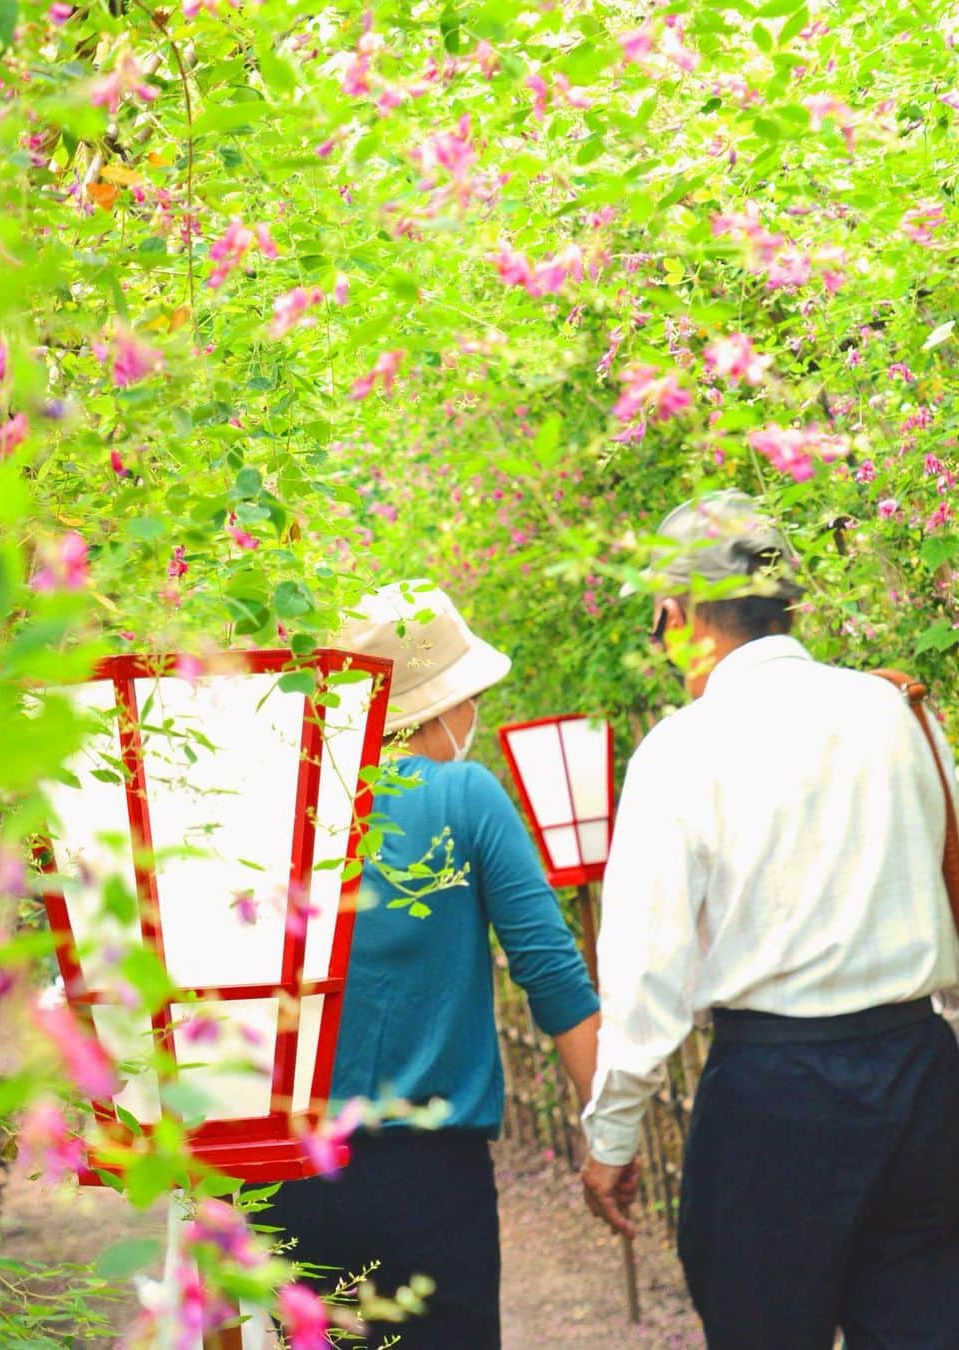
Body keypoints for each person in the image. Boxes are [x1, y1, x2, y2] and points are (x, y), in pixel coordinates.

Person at [580, 489, 959, 1349]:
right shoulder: (900, 714)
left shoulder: (681, 752)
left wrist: (612, 1135)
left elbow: (647, 971)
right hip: (918, 1077)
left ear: (679, 618)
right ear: (787, 605)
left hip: (774, 1097)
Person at [269, 580, 601, 1349]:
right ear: (439, 707)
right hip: (431, 1182)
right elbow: (552, 974)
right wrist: (606, 1134)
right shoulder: (465, 796)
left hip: (288, 1174)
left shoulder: (291, 802)